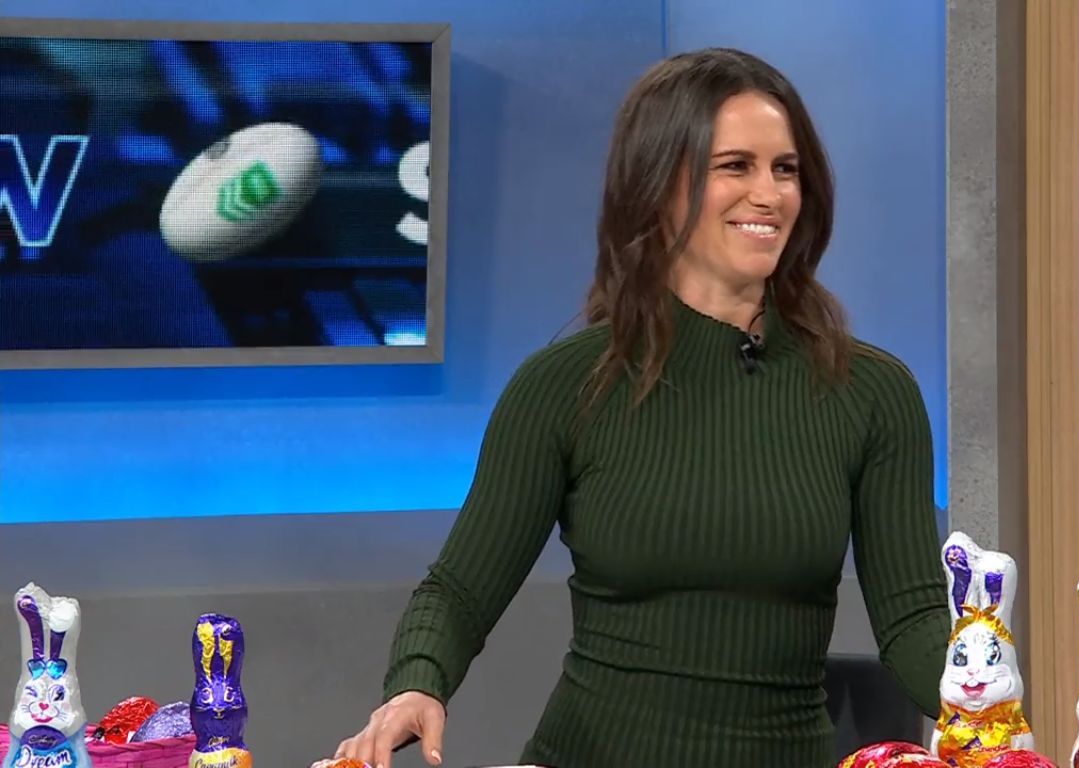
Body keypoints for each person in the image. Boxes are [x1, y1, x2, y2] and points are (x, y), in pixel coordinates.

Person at [334, 46, 950, 768]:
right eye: (735, 166)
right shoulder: (567, 385)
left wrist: (993, 716)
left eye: (785, 169)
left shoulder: (871, 393)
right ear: (659, 185)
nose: (770, 194)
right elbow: (461, 590)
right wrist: (417, 684)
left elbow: (912, 619)